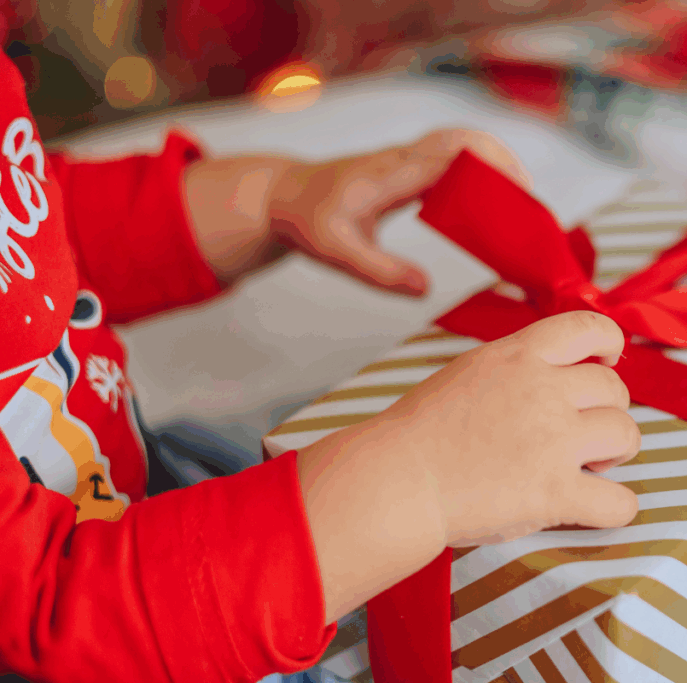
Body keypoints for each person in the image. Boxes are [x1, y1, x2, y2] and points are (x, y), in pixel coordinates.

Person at [0, 2, 645, 680]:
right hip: (132, 622)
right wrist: (419, 476)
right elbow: (61, 617)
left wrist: (275, 197)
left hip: (139, 483)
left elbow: (44, 215)